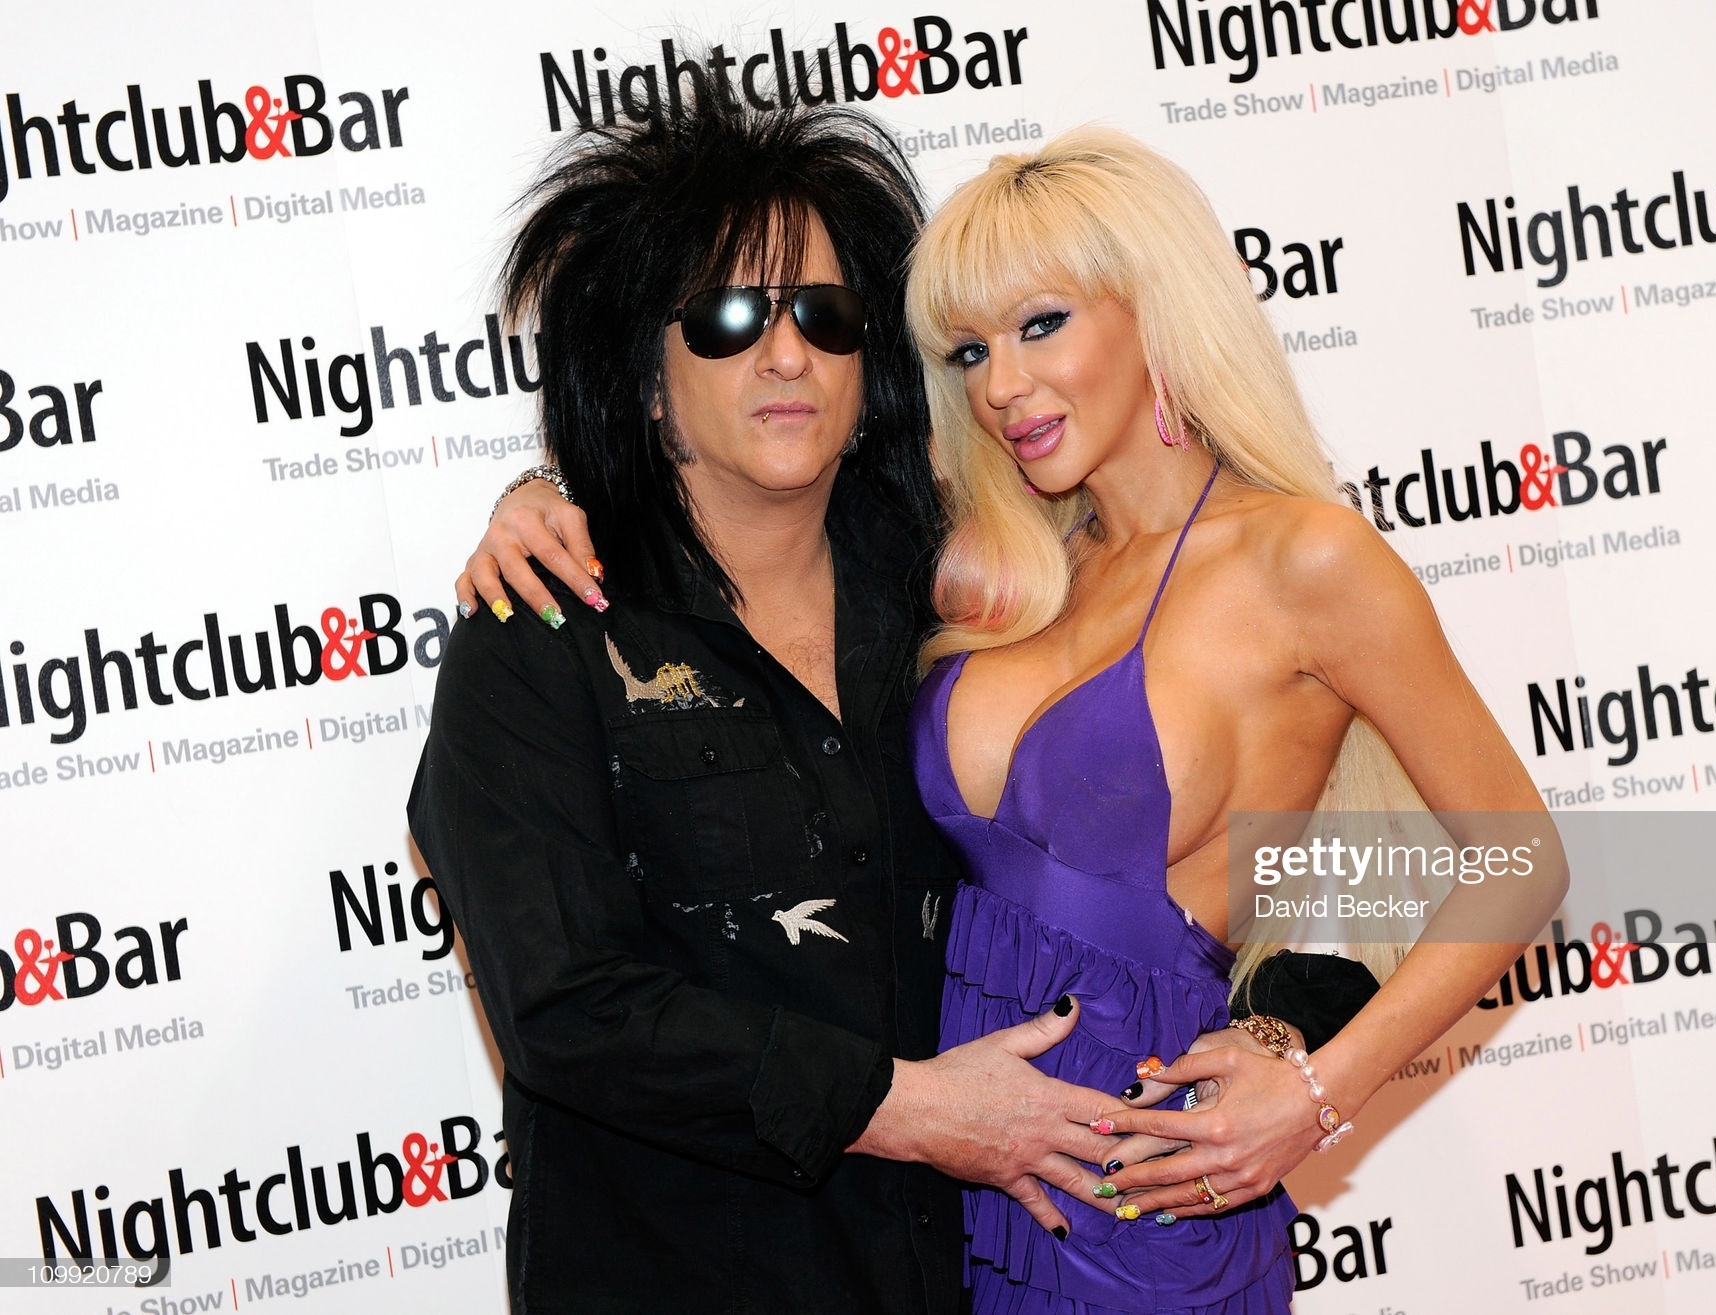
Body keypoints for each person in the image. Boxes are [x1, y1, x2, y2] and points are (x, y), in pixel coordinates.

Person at [419, 88, 1366, 1315]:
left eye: (823, 314)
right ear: (645, 376)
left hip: (993, 1266)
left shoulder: (968, 593)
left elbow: (1312, 841)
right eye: (726, 316)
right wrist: (909, 1108)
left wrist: (1294, 1041)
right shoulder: (542, 637)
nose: (785, 354)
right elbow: (566, 1008)